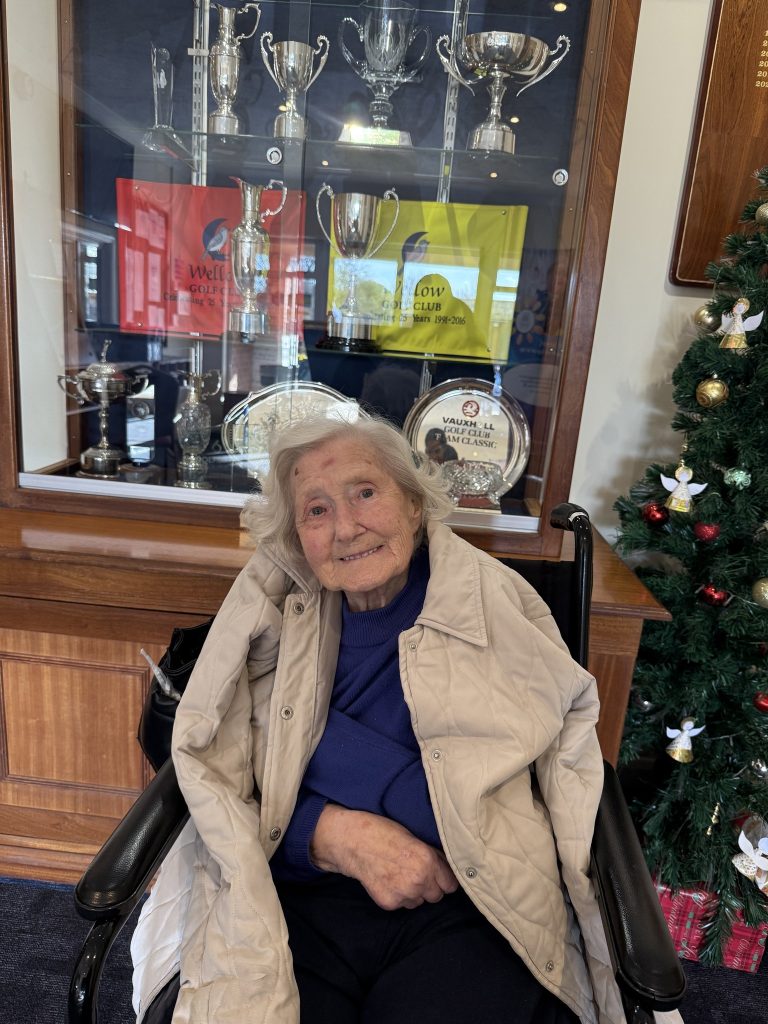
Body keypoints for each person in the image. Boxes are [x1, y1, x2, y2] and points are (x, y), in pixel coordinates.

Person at [131, 414, 626, 1024]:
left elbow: (488, 794)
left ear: (415, 505)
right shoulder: (271, 621)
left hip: (468, 900)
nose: (345, 527)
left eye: (365, 492)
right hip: (296, 894)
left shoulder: (490, 606)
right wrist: (326, 833)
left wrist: (322, 754)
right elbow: (216, 769)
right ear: (296, 539)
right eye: (315, 510)